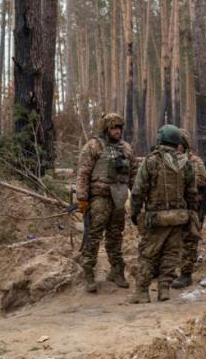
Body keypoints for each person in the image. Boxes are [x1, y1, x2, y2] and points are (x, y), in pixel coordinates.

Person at [128, 125, 198, 303]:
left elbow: (138, 191)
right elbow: (192, 193)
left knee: (148, 254)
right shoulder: (186, 163)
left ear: (160, 139)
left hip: (157, 218)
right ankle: (164, 290)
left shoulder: (151, 161)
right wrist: (191, 214)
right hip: (179, 217)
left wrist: (135, 214)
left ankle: (142, 292)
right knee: (170, 254)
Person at [76, 113, 137, 293]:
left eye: (119, 128)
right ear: (105, 129)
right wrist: (82, 198)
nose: (117, 131)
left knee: (115, 236)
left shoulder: (126, 149)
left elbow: (134, 174)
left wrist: (138, 195)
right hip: (99, 198)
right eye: (113, 128)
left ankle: (117, 271)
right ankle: (88, 272)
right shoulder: (93, 147)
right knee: (93, 235)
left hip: (118, 198)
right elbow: (83, 173)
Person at [171, 129, 206, 288]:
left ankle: (186, 274)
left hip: (191, 207)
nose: (176, 147)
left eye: (178, 145)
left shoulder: (194, 161)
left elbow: (202, 183)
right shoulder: (170, 160)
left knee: (189, 241)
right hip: (175, 207)